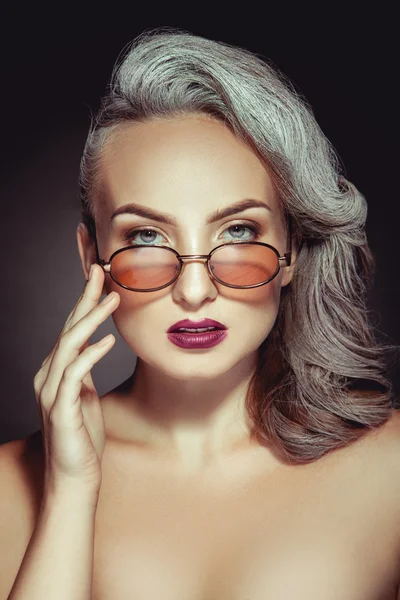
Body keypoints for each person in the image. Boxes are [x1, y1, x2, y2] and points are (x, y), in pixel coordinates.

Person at [1, 26, 399, 600]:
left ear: (290, 248)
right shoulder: (11, 489)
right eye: (146, 235)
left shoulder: (392, 469)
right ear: (92, 256)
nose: (193, 289)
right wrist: (68, 492)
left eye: (238, 231)